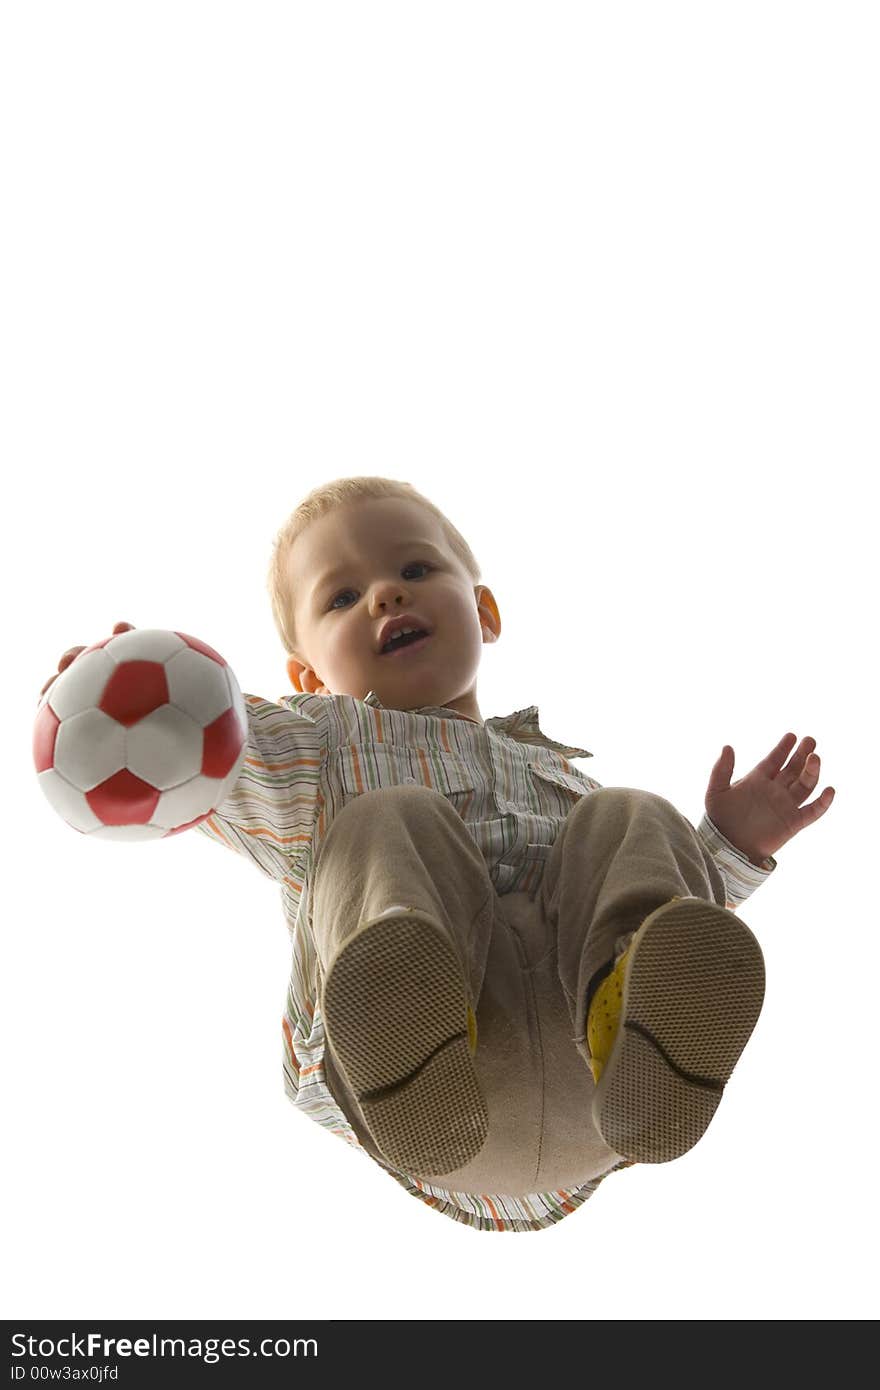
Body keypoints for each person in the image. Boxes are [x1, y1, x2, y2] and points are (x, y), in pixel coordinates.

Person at [41, 476, 835, 1233]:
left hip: (593, 1081)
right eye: (343, 597)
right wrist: (142, 716)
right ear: (309, 676)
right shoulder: (318, 744)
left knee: (633, 813)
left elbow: (681, 944)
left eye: (414, 569)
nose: (386, 594)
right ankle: (413, 1011)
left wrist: (731, 844)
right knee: (390, 819)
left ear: (485, 610)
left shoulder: (562, 779)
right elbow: (224, 766)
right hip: (446, 1096)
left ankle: (628, 1027)